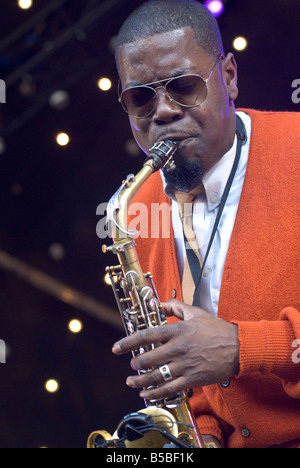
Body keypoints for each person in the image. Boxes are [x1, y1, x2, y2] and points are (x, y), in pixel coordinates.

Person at [110, 0, 300, 448]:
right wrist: (205, 434)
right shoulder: (136, 210)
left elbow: (226, 353)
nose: (163, 112)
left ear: (228, 76)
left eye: (183, 86)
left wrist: (241, 348)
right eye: (141, 97)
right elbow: (197, 384)